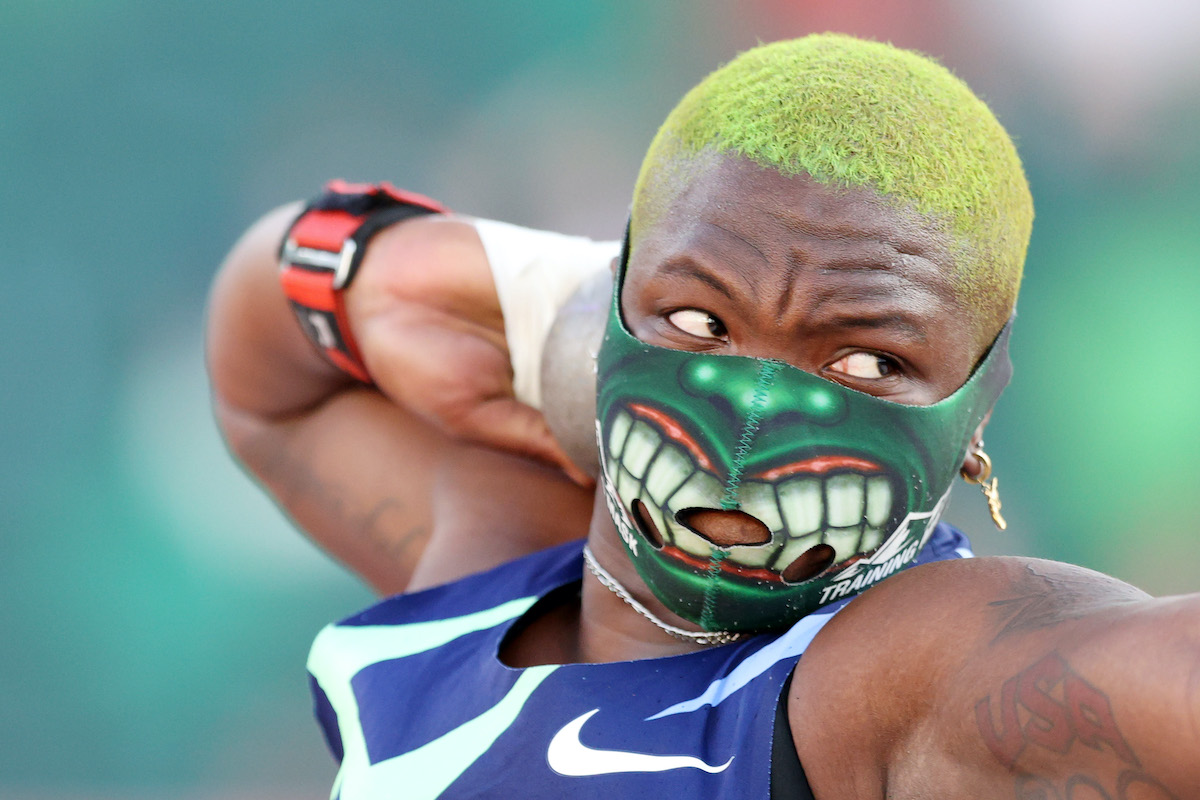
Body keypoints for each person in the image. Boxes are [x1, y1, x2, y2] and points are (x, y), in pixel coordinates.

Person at [208, 34, 1199, 799]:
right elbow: (262, 378)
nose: (753, 417)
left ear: (980, 396)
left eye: (865, 359)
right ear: (612, 297)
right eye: (701, 318)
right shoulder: (487, 553)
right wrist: (408, 266)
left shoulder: (900, 671)